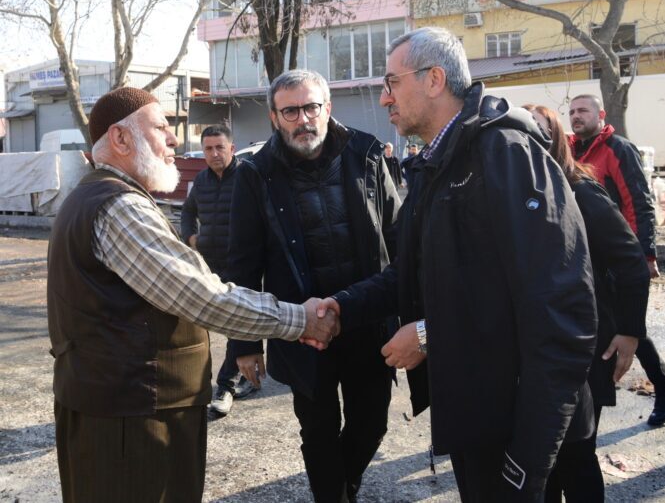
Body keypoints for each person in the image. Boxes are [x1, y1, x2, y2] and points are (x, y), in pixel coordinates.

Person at [316, 27, 597, 502]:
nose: (384, 98)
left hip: (519, 428)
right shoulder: (436, 164)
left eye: (391, 82)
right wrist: (341, 309)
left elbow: (559, 311)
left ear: (434, 79)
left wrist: (527, 464)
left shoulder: (506, 155)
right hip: (476, 417)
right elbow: (411, 274)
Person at [46, 87, 337, 503]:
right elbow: (203, 297)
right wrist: (301, 319)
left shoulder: (99, 196)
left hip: (123, 409)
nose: (173, 140)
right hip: (132, 421)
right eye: (161, 127)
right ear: (120, 139)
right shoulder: (118, 207)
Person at [225, 69, 401, 502]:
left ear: (328, 108)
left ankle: (342, 487)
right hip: (301, 332)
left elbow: (399, 240)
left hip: (367, 322)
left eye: (311, 107)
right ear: (274, 116)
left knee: (372, 423)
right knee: (318, 431)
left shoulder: (367, 154)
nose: (303, 119)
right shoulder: (255, 173)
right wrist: (245, 343)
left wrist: (413, 318)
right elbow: (243, 263)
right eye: (290, 111)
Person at [526, 105, 650, 503]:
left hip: (585, 347)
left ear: (557, 138)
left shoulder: (580, 191)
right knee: (543, 464)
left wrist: (630, 332)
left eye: (540, 133)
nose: (531, 143)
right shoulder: (521, 194)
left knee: (576, 458)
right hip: (541, 352)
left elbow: (631, 261)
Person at [568, 94, 665, 426]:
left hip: (620, 260)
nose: (576, 116)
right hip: (593, 264)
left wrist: (644, 255)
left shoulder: (618, 149)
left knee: (629, 326)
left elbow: (638, 203)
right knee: (622, 325)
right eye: (572, 111)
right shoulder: (573, 152)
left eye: (583, 111)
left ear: (601, 115)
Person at [180, 124, 255, 417]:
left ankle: (226, 385)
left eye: (219, 147)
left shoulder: (249, 176)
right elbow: (188, 211)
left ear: (232, 149)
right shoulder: (201, 180)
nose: (213, 154)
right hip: (208, 264)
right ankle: (204, 381)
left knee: (238, 323)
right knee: (199, 322)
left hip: (242, 263)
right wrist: (190, 237)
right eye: (208, 148)